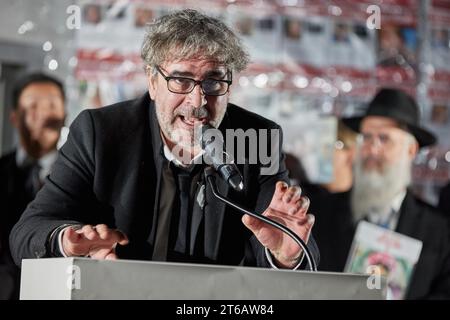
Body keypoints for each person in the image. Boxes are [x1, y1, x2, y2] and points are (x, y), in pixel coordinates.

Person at [10, 10, 319, 275]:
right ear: (153, 81)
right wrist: (66, 240)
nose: (198, 100)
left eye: (213, 81)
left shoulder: (258, 138)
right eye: (181, 80)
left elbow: (294, 251)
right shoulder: (101, 133)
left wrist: (286, 254)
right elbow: (28, 232)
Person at [339, 88, 450, 299]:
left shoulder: (439, 230)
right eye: (367, 137)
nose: (372, 149)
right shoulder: (320, 214)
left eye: (384, 138)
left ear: (411, 150)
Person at [0, 72, 66, 299]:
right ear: (15, 118)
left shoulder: (82, 178)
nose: (44, 116)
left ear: (65, 114)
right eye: (33, 107)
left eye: (52, 106)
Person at [299, 119, 358, 272]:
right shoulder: (304, 200)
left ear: (351, 152)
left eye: (329, 145)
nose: (320, 152)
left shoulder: (364, 207)